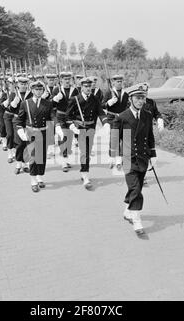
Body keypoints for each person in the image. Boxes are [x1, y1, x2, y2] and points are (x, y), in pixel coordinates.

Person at [111, 83, 157, 236]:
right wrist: (117, 158)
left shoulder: (147, 115)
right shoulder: (122, 117)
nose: (141, 101)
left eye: (143, 98)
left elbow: (150, 136)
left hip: (143, 157)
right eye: (137, 98)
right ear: (130, 99)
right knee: (136, 188)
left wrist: (153, 155)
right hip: (128, 158)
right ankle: (137, 221)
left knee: (135, 188)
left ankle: (127, 211)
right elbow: (115, 139)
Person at [66, 77, 110, 189]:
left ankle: (83, 171)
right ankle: (85, 176)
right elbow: (68, 116)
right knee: (84, 152)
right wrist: (71, 126)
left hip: (91, 128)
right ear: (81, 87)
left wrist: (105, 123)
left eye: (90, 86)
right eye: (86, 86)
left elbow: (100, 112)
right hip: (79, 128)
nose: (88, 88)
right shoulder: (75, 99)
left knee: (88, 152)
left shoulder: (95, 99)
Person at [15, 80, 56, 192]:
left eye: (40, 89)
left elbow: (52, 117)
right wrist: (21, 132)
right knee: (33, 157)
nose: (39, 91)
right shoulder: (26, 103)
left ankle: (39, 176)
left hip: (43, 132)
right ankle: (33, 180)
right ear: (32, 90)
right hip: (31, 132)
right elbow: (19, 120)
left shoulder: (47, 103)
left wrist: (57, 127)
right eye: (36, 89)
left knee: (41, 157)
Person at [52, 72, 79, 172]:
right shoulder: (56, 90)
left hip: (70, 116)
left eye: (69, 79)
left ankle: (66, 158)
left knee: (69, 138)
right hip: (60, 116)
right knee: (62, 137)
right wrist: (55, 98)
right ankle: (63, 161)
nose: (67, 81)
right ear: (61, 80)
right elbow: (51, 103)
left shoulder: (75, 90)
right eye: (65, 79)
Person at [102, 74, 129, 170]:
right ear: (113, 82)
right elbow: (102, 106)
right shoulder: (108, 93)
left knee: (122, 139)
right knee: (114, 139)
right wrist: (109, 103)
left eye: (121, 81)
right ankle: (111, 159)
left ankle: (118, 161)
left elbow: (127, 106)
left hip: (122, 118)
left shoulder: (125, 94)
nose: (119, 83)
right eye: (117, 81)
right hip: (112, 118)